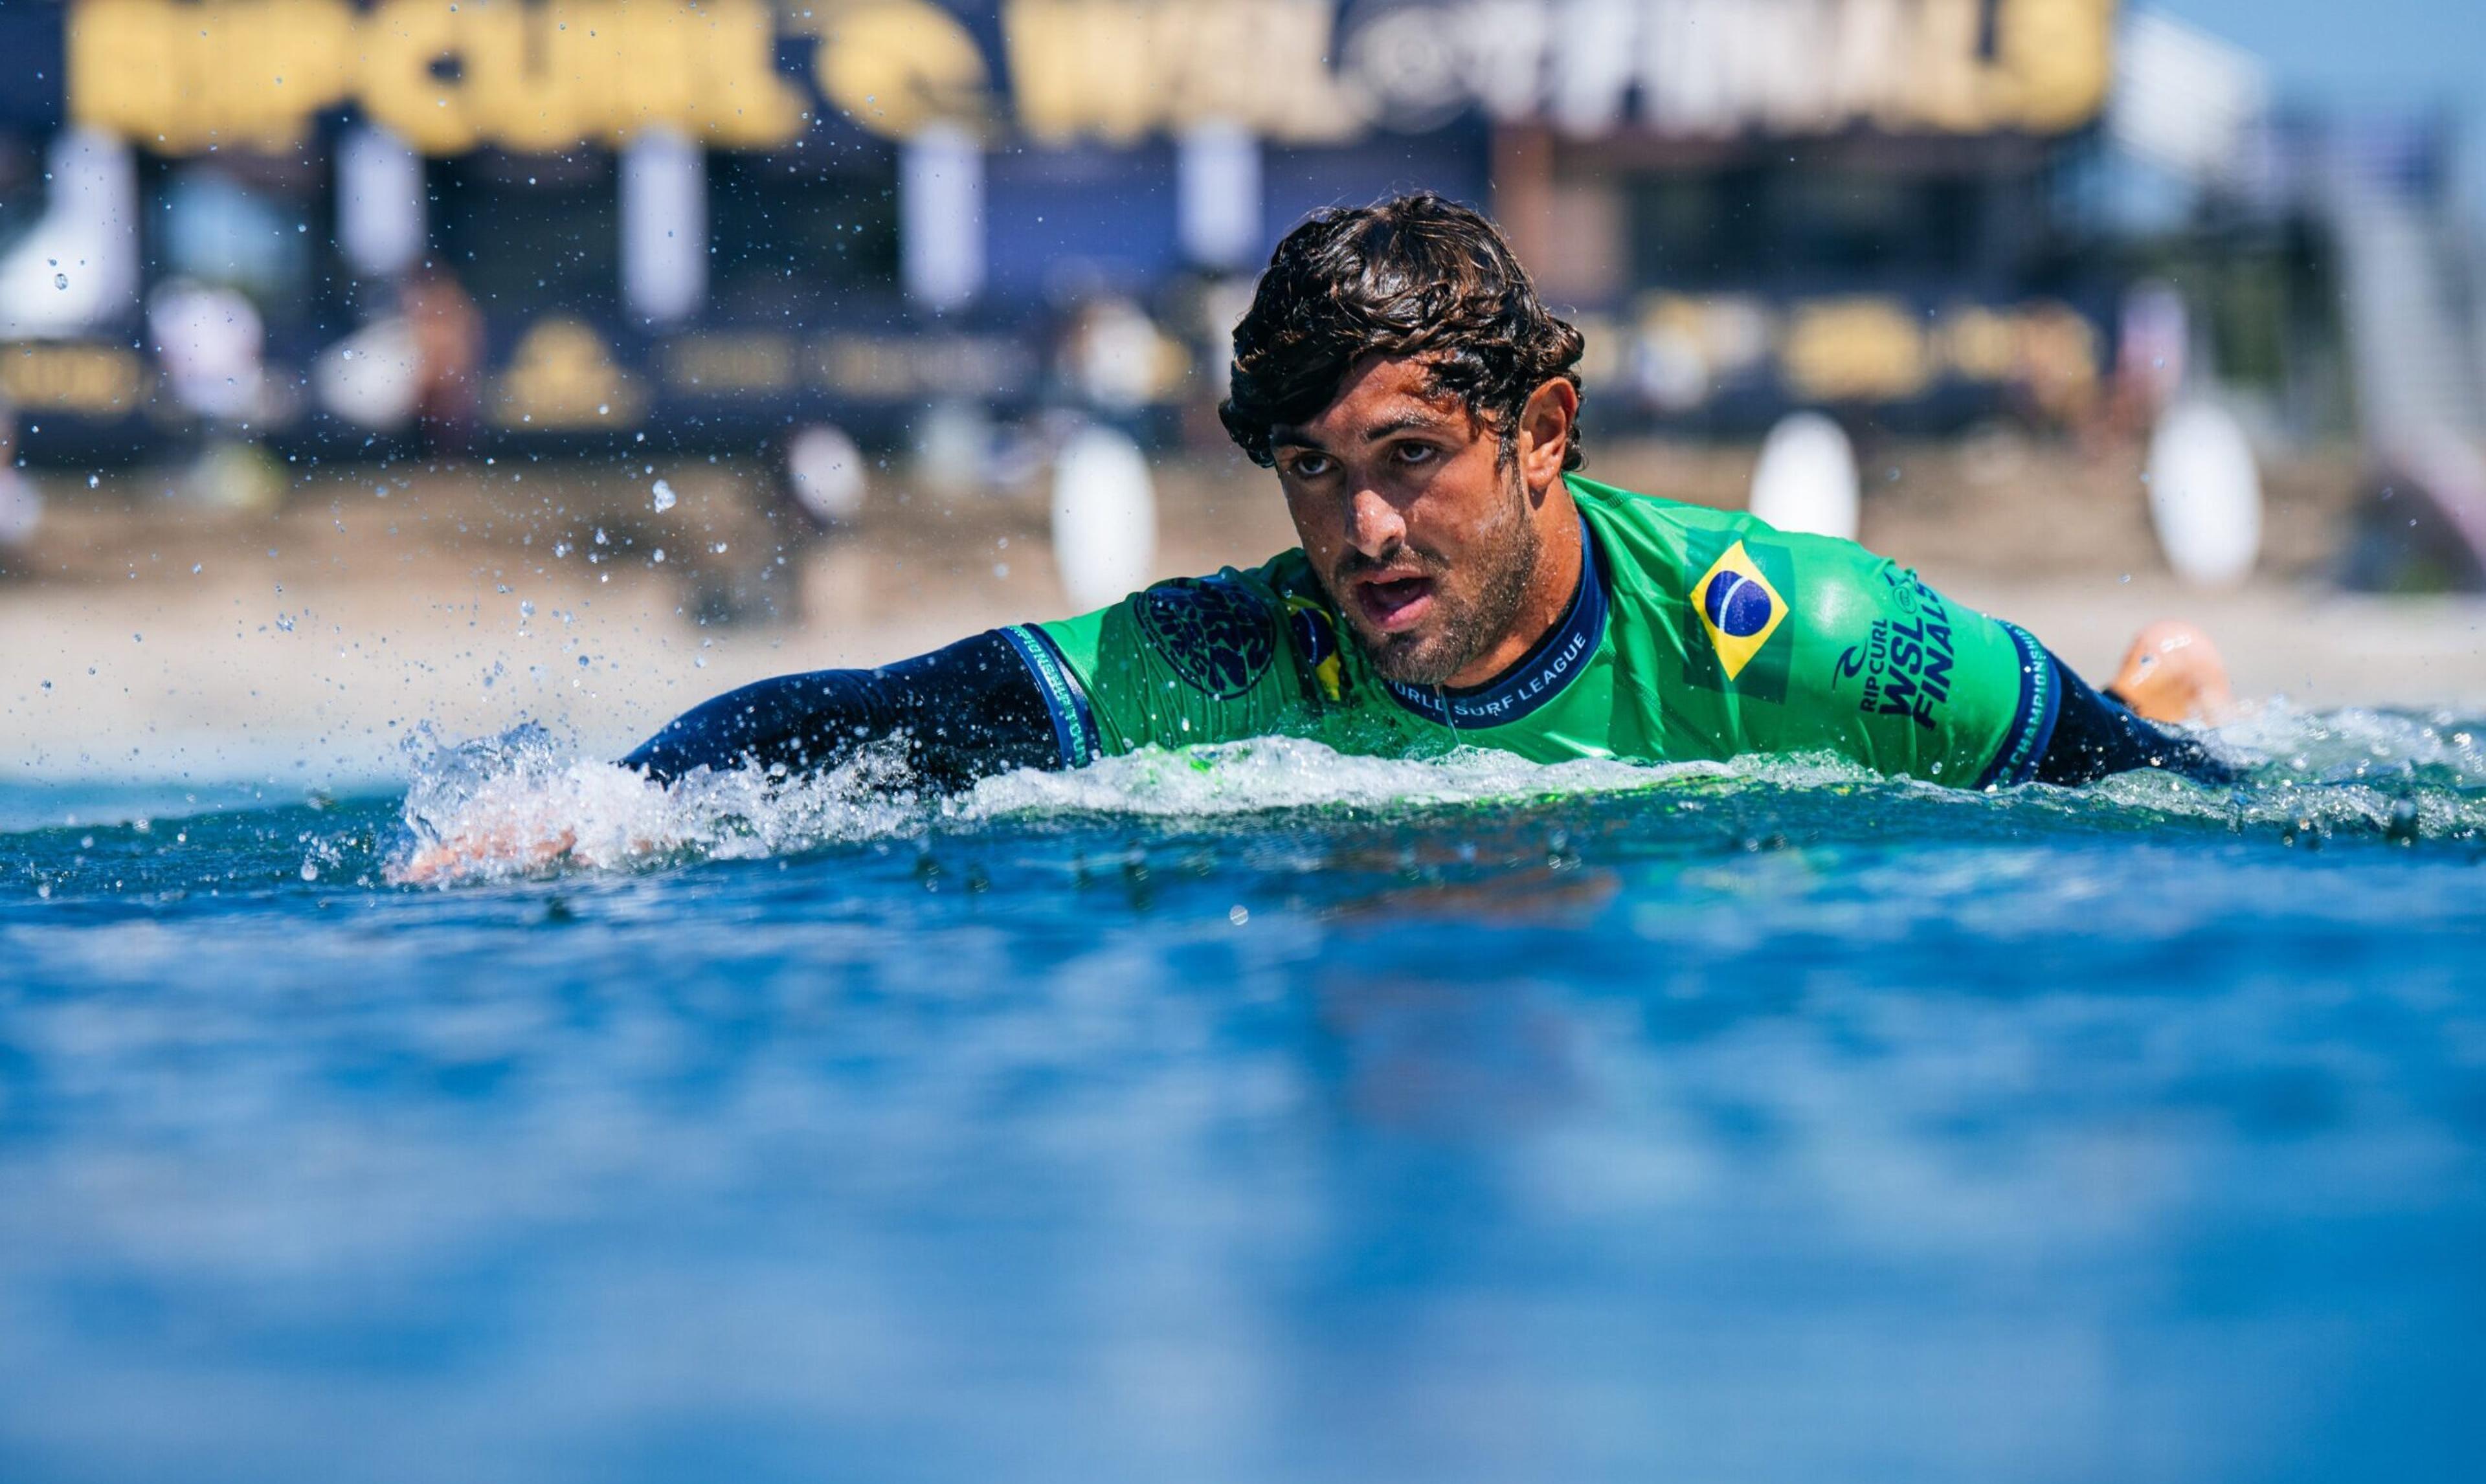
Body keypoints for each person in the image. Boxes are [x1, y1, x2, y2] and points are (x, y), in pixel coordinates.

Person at [622, 195, 2232, 802]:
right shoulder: (1242, 655)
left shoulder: (1798, 632)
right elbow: (880, 714)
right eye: (1313, 474)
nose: (1361, 536)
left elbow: (2174, 812)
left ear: (1543, 431)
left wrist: (2163, 737)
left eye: (1410, 460)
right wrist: (605, 810)